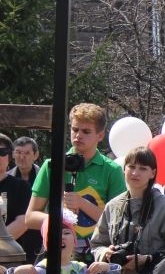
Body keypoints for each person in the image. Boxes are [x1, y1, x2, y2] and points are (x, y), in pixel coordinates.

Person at [26, 103, 127, 263]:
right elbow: (30, 218)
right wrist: (61, 217)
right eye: (75, 130)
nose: (78, 135)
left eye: (86, 131)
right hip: (57, 251)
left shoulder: (112, 170)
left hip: (95, 255)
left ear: (100, 136)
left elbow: (118, 222)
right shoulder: (51, 165)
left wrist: (82, 203)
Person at [0, 133, 34, 261]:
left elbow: (23, 222)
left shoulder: (21, 187)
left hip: (11, 258)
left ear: (10, 156)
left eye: (2, 152)